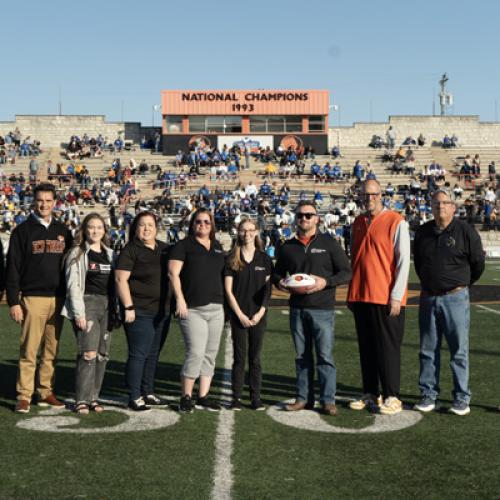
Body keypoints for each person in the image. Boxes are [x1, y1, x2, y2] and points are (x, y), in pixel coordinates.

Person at [273, 201, 352, 416]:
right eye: (300, 215)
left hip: (323, 309)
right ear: (295, 219)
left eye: (309, 215)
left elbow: (346, 272)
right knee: (301, 356)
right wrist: (281, 283)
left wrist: (325, 282)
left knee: (325, 356)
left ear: (317, 218)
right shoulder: (288, 246)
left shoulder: (329, 243)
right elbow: (277, 274)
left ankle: (328, 400)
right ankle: (303, 398)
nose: (304, 219)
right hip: (297, 309)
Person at [413, 188, 485, 415]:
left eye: (445, 203)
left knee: (459, 351)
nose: (440, 207)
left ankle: (462, 397)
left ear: (453, 207)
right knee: (427, 350)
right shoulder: (423, 232)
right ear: (430, 207)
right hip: (428, 297)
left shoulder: (465, 231)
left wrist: (461, 284)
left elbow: (478, 264)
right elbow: (419, 264)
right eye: (436, 204)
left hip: (455, 298)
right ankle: (428, 394)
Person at [6, 183, 73, 414]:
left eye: (48, 200)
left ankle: (45, 391)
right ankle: (24, 395)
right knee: (29, 350)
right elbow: (12, 269)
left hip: (58, 299)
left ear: (55, 202)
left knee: (51, 350)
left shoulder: (64, 231)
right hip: (33, 298)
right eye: (40, 200)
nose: (44, 205)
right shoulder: (22, 231)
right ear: (34, 202)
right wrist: (14, 301)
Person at [348, 179, 411, 415]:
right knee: (367, 348)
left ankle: (392, 395)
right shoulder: (358, 222)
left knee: (388, 348)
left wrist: (397, 296)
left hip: (385, 297)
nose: (369, 198)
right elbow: (355, 258)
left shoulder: (396, 221)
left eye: (373, 194)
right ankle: (371, 392)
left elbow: (404, 261)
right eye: (365, 194)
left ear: (381, 195)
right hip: (362, 295)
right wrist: (352, 293)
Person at [168, 208, 226, 413]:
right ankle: (186, 396)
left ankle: (203, 396)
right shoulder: (183, 246)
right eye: (199, 222)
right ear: (192, 224)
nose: (203, 225)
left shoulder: (218, 247)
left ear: (212, 225)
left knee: (210, 354)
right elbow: (173, 274)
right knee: (195, 352)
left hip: (217, 308)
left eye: (207, 222)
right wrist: (180, 300)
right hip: (193, 308)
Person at [115, 210, 171, 411]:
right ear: (135, 229)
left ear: (156, 228)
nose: (146, 228)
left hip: (161, 312)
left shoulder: (165, 249)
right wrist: (128, 307)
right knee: (139, 353)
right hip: (139, 311)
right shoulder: (131, 250)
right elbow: (121, 279)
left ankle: (148, 392)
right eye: (142, 225)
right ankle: (134, 395)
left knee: (153, 354)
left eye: (150, 225)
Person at [61, 213, 116, 414]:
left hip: (107, 306)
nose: (95, 231)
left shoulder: (111, 254)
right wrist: (79, 313)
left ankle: (94, 397)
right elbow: (73, 285)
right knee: (88, 353)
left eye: (99, 227)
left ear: (104, 230)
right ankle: (82, 399)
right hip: (87, 303)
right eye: (91, 227)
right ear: (84, 230)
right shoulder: (77, 253)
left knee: (102, 355)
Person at [224, 218, 273, 410]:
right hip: (239, 317)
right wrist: (240, 315)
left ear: (256, 232)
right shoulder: (232, 258)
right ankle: (236, 398)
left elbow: (268, 290)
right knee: (239, 358)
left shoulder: (265, 258)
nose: (247, 234)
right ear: (238, 232)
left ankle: (255, 398)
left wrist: (260, 313)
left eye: (251, 230)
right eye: (244, 230)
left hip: (258, 316)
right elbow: (228, 291)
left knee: (255, 359)